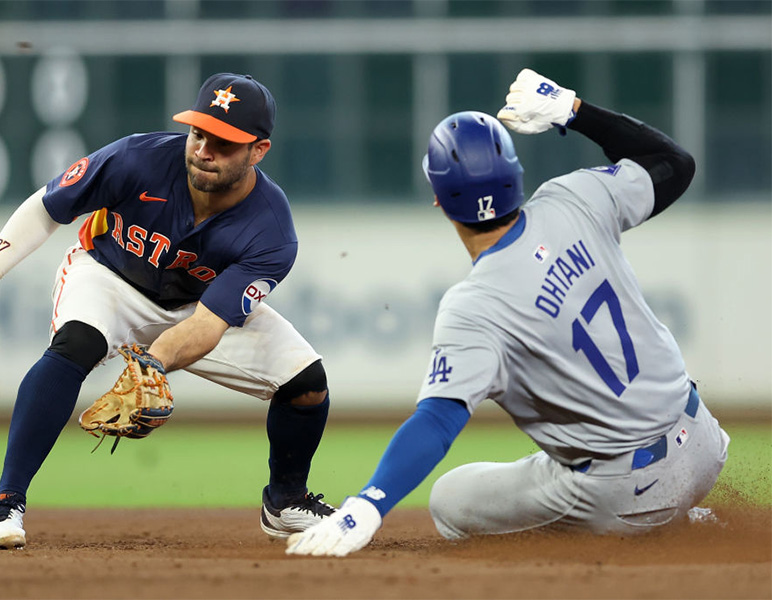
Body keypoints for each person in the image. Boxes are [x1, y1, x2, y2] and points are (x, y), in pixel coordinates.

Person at [286, 68, 730, 557]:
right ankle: (687, 517)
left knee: (450, 501)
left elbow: (437, 420)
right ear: (516, 176)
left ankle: (651, 530)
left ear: (438, 198)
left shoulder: (475, 306)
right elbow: (675, 163)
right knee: (558, 458)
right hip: (704, 442)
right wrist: (574, 111)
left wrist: (369, 504)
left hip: (629, 492)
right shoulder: (574, 198)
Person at [0, 73, 335, 549]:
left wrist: (154, 363)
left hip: (197, 309)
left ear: (259, 150)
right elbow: (50, 206)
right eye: (198, 133)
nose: (204, 150)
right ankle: (6, 502)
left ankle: (285, 501)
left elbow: (209, 324)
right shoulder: (137, 158)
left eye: (224, 142)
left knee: (307, 385)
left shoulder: (270, 230)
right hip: (108, 277)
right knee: (76, 345)